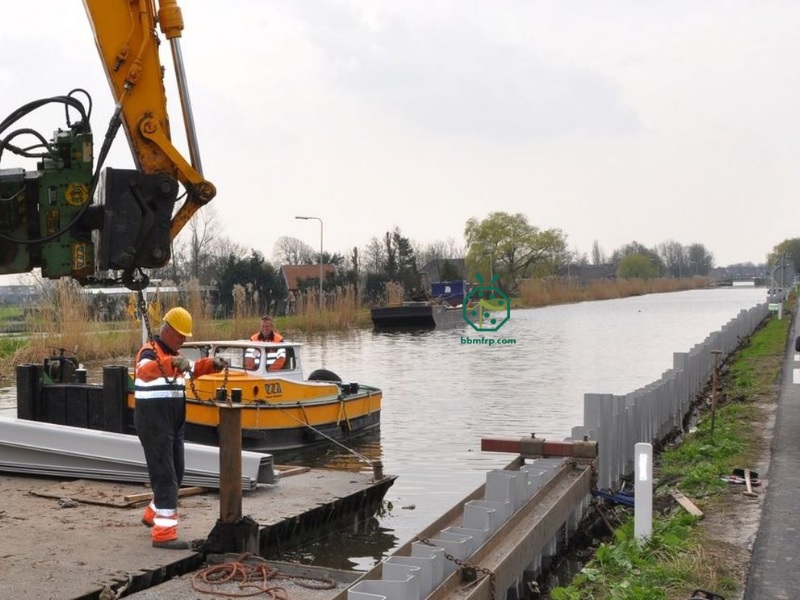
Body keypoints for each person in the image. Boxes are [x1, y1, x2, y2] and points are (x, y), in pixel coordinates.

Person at [135, 306, 227, 549]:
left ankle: (153, 514)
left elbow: (192, 369)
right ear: (168, 330)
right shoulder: (149, 352)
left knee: (177, 471)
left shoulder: (175, 356)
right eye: (181, 335)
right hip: (154, 423)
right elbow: (145, 371)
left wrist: (212, 365)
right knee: (165, 477)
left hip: (173, 423)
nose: (184, 340)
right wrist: (173, 362)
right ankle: (164, 535)